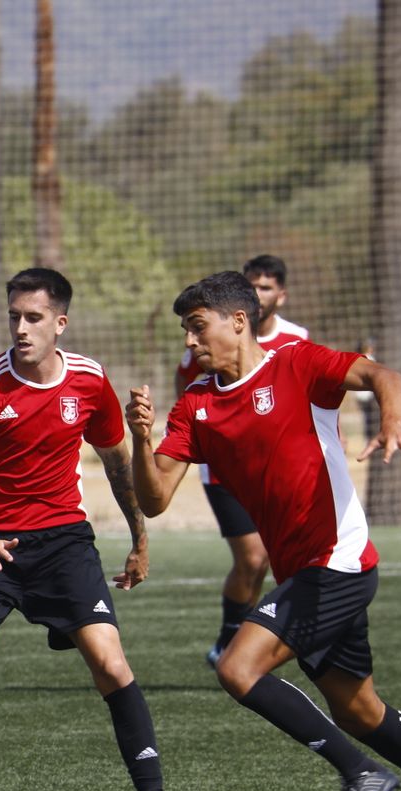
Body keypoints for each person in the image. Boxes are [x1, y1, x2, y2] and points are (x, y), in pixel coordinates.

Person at [126, 271, 401, 791]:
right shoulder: (196, 405)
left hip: (339, 560)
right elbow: (154, 500)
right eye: (185, 332)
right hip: (301, 572)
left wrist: (393, 420)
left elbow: (383, 375)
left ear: (238, 321)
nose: (189, 343)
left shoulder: (297, 364)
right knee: (359, 710)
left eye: (197, 328)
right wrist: (139, 440)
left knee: (237, 669)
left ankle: (361, 774)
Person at [0, 267, 188, 791]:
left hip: (64, 542)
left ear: (60, 324)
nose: (21, 328)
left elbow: (117, 463)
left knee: (111, 665)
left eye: (34, 318)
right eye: (14, 317)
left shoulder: (90, 382)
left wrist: (140, 540)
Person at [174, 255, 308, 667]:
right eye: (253, 286)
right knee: (252, 557)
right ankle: (231, 640)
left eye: (266, 287)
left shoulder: (297, 342)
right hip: (225, 471)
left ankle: (254, 643)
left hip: (279, 472)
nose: (259, 294)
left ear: (279, 296)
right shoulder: (199, 352)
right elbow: (193, 400)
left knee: (277, 559)